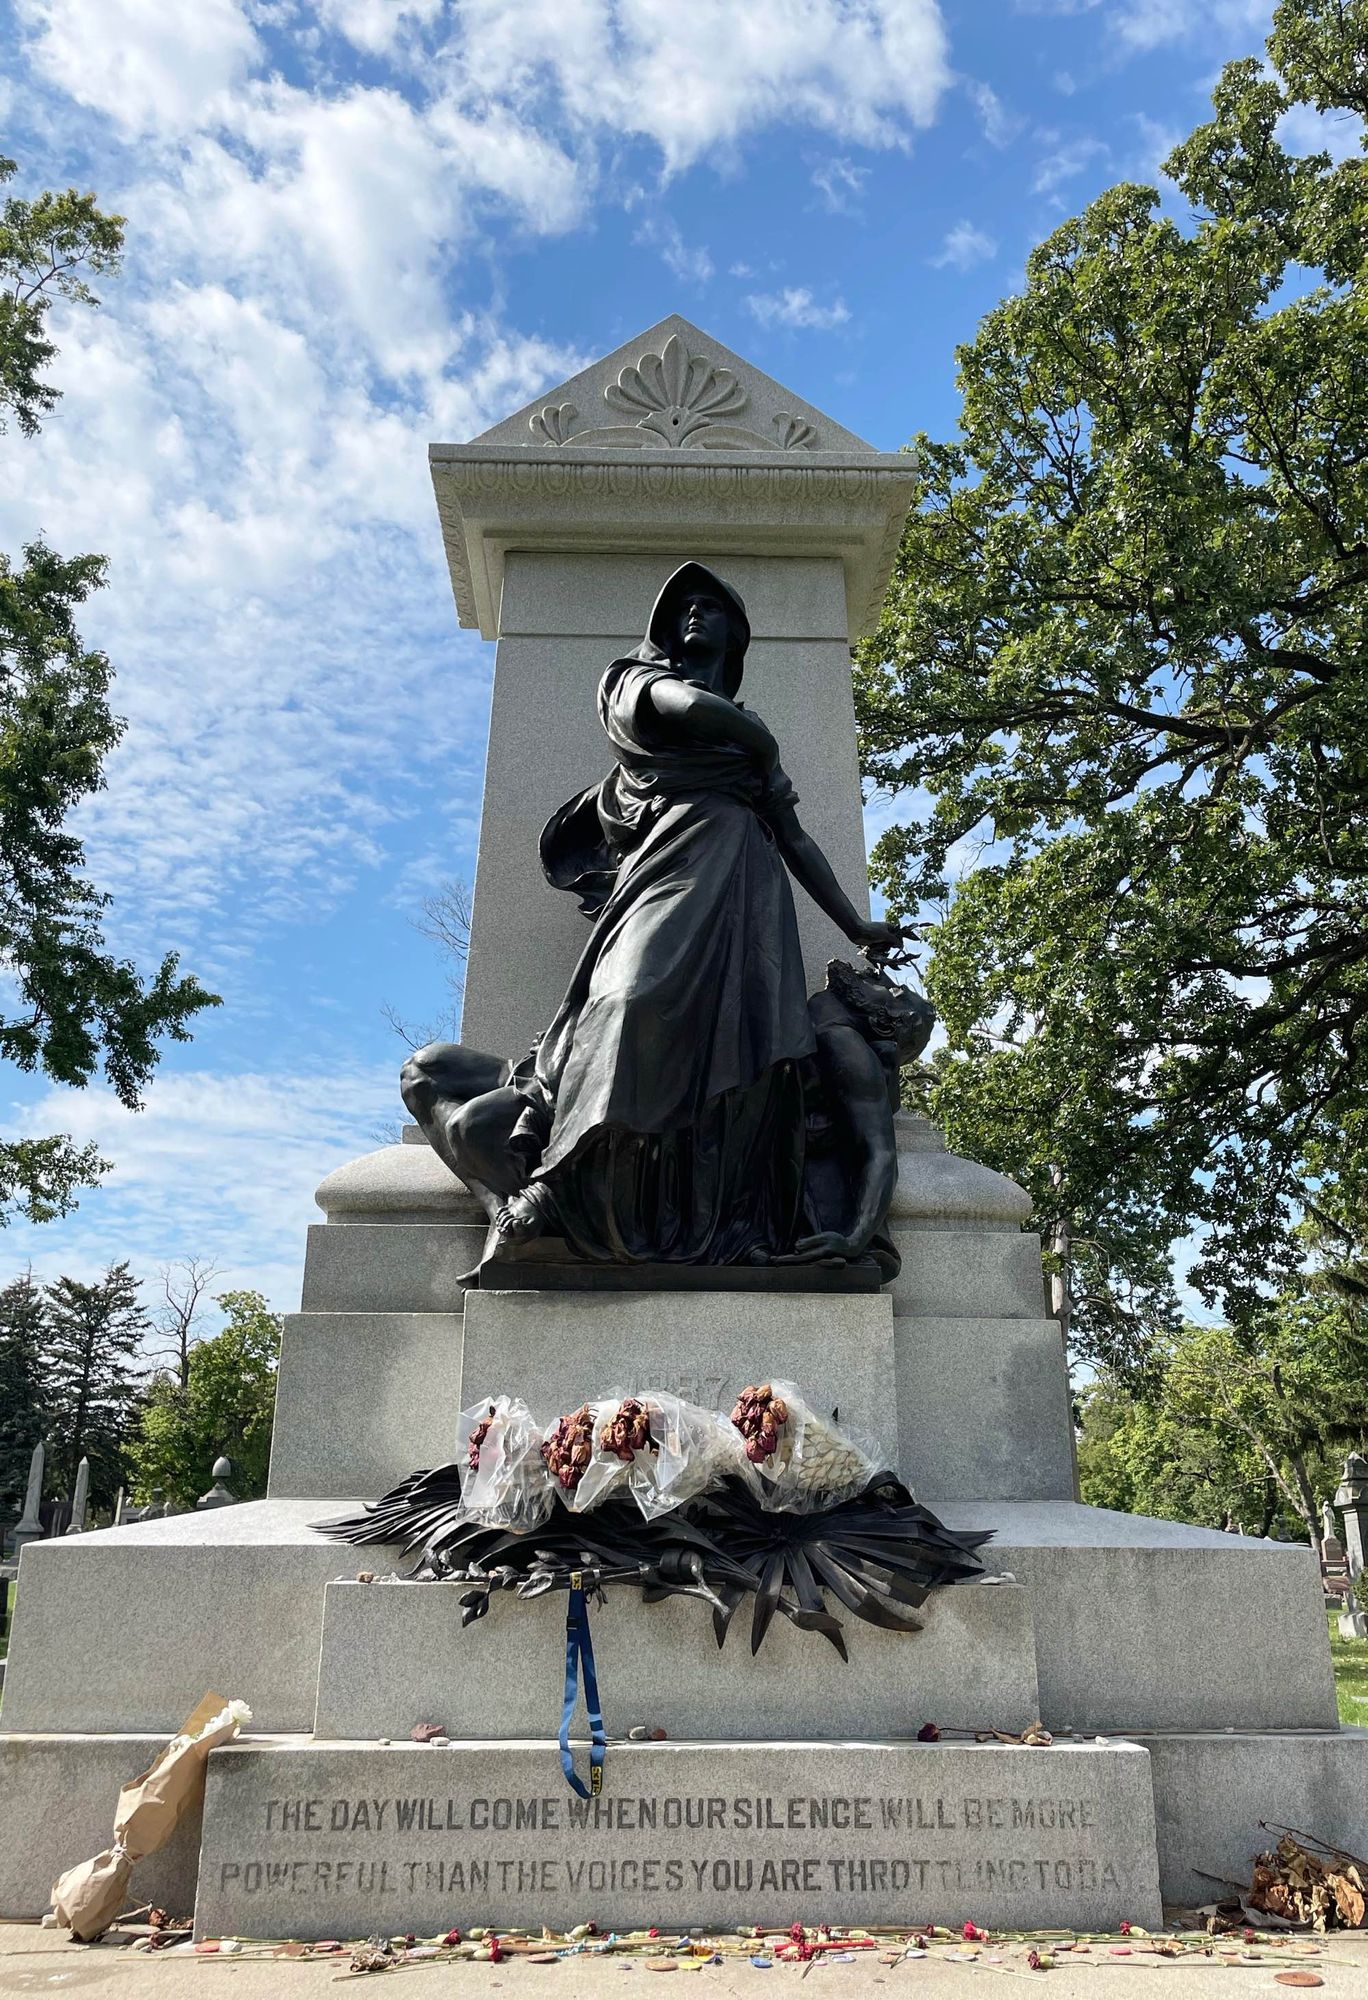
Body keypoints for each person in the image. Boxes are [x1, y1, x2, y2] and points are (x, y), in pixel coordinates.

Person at [401, 561, 902, 1271]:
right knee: (626, 998)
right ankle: (560, 1185)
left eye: (710, 607)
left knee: (742, 1044)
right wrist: (759, 745)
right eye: (683, 606)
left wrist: (855, 924)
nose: (694, 613)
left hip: (744, 882)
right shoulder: (636, 679)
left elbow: (795, 838)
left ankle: (700, 1206)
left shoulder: (745, 742)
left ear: (736, 634)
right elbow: (688, 708)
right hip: (667, 863)